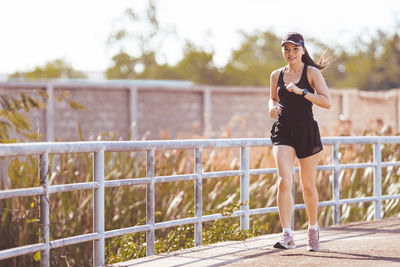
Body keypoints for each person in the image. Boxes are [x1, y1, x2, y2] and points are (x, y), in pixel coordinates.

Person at [268, 32, 332, 252]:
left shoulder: (311, 72)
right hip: (283, 130)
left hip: (306, 131)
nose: (290, 53)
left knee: (307, 185)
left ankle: (313, 229)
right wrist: (271, 107)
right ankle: (287, 234)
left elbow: (327, 102)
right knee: (284, 180)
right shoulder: (276, 75)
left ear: (303, 50)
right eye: (286, 49)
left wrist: (302, 91)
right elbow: (273, 97)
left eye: (295, 49)